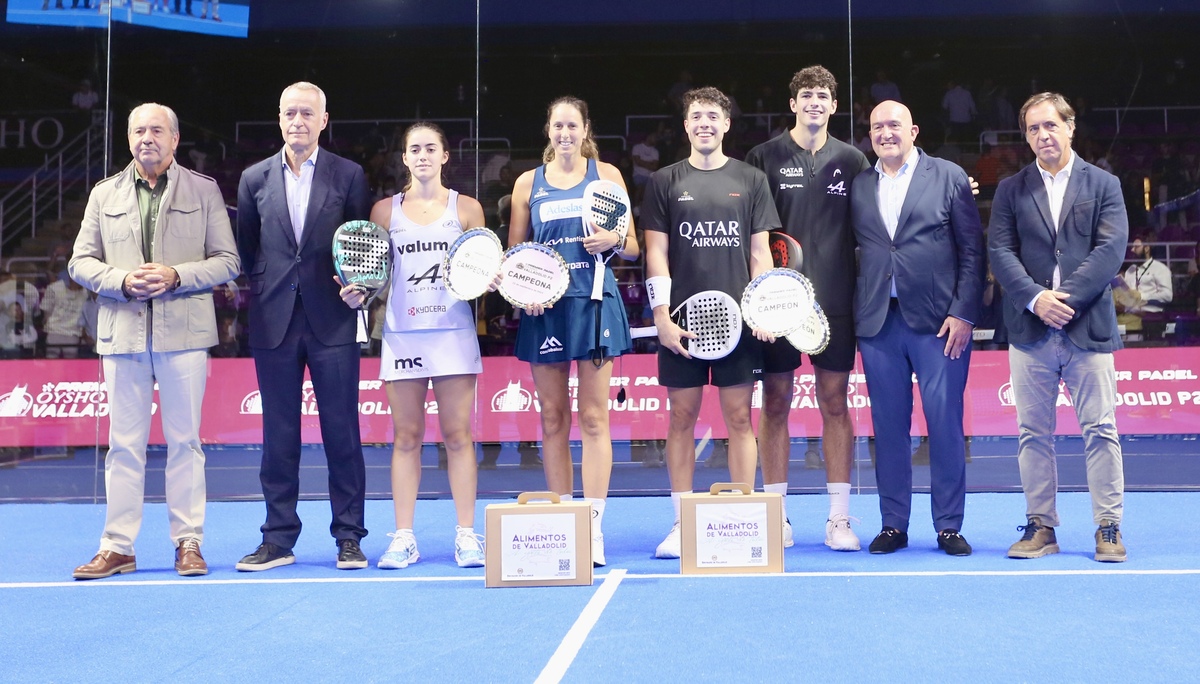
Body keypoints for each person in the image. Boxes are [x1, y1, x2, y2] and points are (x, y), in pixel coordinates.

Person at [68, 103, 239, 579]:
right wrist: (121, 281)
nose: (148, 137)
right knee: (124, 446)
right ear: (128, 139)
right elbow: (80, 262)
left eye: (157, 130)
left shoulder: (204, 190)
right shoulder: (104, 195)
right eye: (139, 130)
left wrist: (176, 275)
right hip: (122, 334)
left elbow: (228, 261)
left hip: (183, 333)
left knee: (185, 442)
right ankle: (118, 546)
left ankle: (189, 542)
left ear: (175, 139)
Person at [235, 82, 373, 571]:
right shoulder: (252, 179)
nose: (297, 120)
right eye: (289, 112)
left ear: (323, 119)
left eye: (307, 113)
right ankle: (278, 538)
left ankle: (350, 536)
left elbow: (363, 246)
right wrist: (270, 287)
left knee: (342, 432)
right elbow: (249, 249)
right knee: (278, 435)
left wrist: (361, 290)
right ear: (279, 119)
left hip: (333, 319)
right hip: (274, 322)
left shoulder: (349, 175)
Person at [988, 92, 1130, 563]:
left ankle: (1107, 527)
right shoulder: (1011, 188)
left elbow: (1110, 250)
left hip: (1086, 326)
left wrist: (1062, 300)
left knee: (1101, 430)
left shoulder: (1104, 183)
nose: (1043, 135)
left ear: (1070, 127)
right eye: (1033, 129)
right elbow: (1000, 252)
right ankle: (1042, 527)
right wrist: (1034, 298)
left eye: (1050, 125)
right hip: (1030, 331)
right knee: (1033, 433)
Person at [640, 86, 778, 559]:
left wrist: (761, 308)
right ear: (686, 126)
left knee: (740, 418)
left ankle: (741, 520)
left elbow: (761, 253)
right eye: (696, 115)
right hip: (683, 324)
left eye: (712, 116)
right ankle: (682, 523)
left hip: (739, 326)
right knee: (681, 419)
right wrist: (661, 316)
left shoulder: (751, 179)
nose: (704, 123)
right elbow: (656, 252)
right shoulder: (664, 181)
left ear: (725, 124)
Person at [345, 122, 488, 569]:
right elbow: (373, 276)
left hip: (453, 335)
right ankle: (403, 537)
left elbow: (480, 273)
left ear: (445, 156)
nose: (423, 155)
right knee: (406, 437)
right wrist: (358, 293)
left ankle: (467, 535)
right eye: (414, 149)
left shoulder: (467, 210)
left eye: (431, 148)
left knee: (458, 436)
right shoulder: (384, 213)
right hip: (403, 334)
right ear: (404, 159)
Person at [508, 96, 640, 567]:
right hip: (546, 310)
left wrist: (614, 241)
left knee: (594, 418)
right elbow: (514, 256)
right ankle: (563, 519)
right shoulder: (529, 184)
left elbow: (632, 246)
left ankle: (594, 525)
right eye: (557, 125)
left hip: (594, 304)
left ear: (586, 130)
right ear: (548, 130)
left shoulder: (606, 177)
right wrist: (525, 289)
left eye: (573, 126)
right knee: (552, 418)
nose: (565, 133)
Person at [744, 66, 871, 552]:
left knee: (835, 404)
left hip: (836, 301)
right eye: (806, 95)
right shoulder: (764, 157)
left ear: (834, 105)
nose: (814, 102)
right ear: (792, 103)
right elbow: (752, 237)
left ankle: (839, 519)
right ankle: (777, 515)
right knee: (774, 403)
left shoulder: (853, 160)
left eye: (823, 96)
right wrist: (757, 299)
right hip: (777, 304)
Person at [850, 100, 983, 557]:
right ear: (869, 136)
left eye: (894, 125)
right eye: (876, 127)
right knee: (888, 428)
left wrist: (964, 313)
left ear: (914, 130)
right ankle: (893, 524)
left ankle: (948, 526)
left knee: (944, 425)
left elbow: (972, 250)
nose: (885, 133)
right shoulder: (859, 184)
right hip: (877, 322)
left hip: (939, 324)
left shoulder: (947, 176)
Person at [40, 273, 90, 358]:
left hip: (72, 333)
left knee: (71, 366)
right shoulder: (55, 288)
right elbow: (46, 311)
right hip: (54, 331)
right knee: (51, 364)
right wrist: (49, 324)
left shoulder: (86, 293)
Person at [1121, 237, 1173, 314]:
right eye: (1132, 247)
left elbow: (1167, 296)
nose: (1132, 250)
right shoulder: (1130, 270)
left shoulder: (1160, 268)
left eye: (1136, 247)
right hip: (1130, 315)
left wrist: (1142, 296)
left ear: (1146, 248)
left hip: (1151, 316)